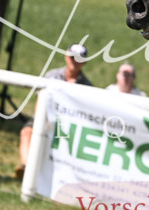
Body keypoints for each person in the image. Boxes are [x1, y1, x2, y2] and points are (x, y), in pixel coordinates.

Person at [16, 43, 92, 178]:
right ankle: (26, 169)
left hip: (68, 125)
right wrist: (42, 119)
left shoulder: (87, 86)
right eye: (73, 57)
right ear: (66, 56)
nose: (75, 62)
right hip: (44, 116)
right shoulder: (51, 76)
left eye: (79, 59)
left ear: (84, 62)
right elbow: (40, 100)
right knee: (27, 132)